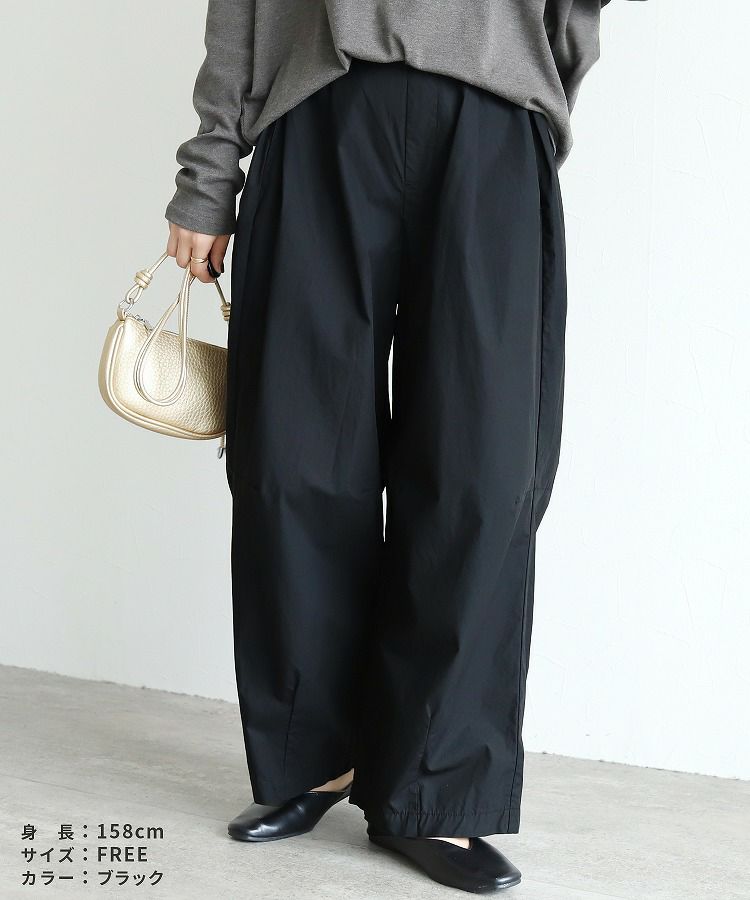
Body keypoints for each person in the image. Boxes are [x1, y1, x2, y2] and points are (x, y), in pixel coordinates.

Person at [164, 1, 645, 893]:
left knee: (480, 473)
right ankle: (314, 755)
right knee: (293, 461)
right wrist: (209, 174)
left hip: (492, 122)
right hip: (316, 109)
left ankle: (436, 790)